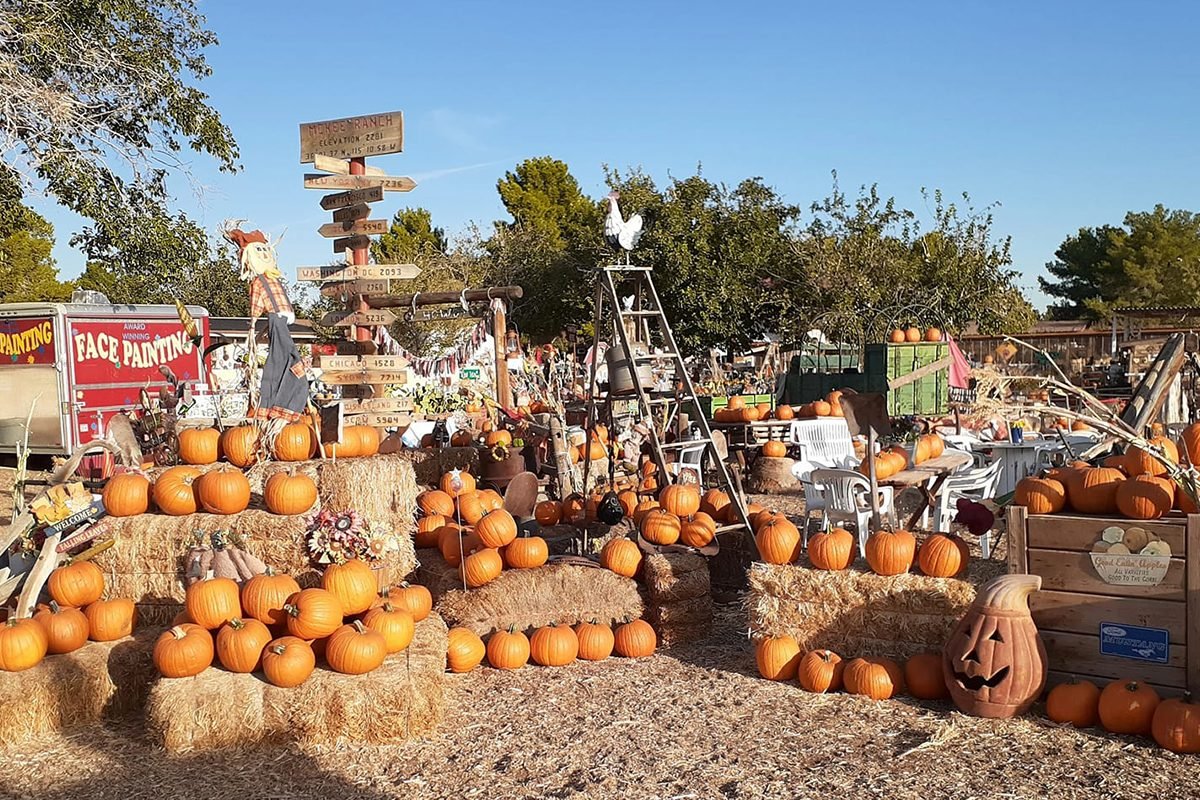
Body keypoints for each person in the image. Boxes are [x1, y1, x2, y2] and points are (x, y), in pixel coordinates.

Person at [224, 226, 309, 422]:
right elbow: (257, 303)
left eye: (264, 249)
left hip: (283, 318)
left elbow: (283, 299)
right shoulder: (258, 282)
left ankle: (282, 401)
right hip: (276, 319)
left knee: (286, 359)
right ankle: (279, 404)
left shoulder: (273, 277)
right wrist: (253, 323)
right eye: (258, 250)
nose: (263, 253)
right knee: (286, 360)